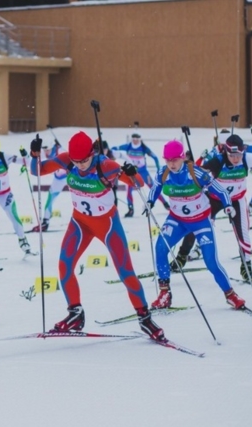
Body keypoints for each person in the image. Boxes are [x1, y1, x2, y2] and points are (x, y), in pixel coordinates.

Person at [29, 131, 165, 341]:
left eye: (84, 160)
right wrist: (34, 154)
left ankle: (145, 318)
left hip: (107, 225)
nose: (80, 165)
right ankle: (75, 313)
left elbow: (138, 183)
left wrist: (131, 172)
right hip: (80, 223)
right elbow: (38, 171)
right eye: (76, 161)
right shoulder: (67, 160)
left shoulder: (106, 166)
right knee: (64, 266)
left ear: (92, 152)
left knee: (125, 272)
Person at [146, 140, 247, 311]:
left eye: (175, 160)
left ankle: (230, 295)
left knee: (210, 262)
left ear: (182, 157)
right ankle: (165, 293)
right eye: (168, 160)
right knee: (160, 248)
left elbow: (220, 190)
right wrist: (150, 201)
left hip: (200, 221)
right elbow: (155, 187)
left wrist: (228, 205)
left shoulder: (196, 173)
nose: (171, 164)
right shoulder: (163, 173)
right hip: (177, 220)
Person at [169, 135, 252, 280]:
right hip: (214, 199)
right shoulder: (217, 161)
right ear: (226, 151)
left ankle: (246, 266)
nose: (236, 158)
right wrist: (189, 165)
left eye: (238, 155)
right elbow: (197, 174)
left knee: (243, 231)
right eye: (232, 155)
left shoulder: (247, 159)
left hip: (237, 200)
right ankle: (182, 256)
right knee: (196, 226)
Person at [111, 132, 168, 217]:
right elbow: (114, 148)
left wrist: (158, 168)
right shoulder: (128, 146)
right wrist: (111, 153)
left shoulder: (143, 148)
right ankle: (131, 210)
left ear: (139, 139)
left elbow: (155, 157)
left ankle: (166, 204)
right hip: (132, 173)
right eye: (133, 139)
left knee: (153, 187)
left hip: (143, 172)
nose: (135, 141)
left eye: (136, 139)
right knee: (129, 191)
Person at [30, 139, 66, 232]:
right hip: (59, 179)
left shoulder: (60, 151)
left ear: (52, 146)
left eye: (48, 149)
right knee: (50, 198)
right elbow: (35, 163)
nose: (46, 151)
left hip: (70, 176)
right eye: (44, 149)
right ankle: (45, 221)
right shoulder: (43, 153)